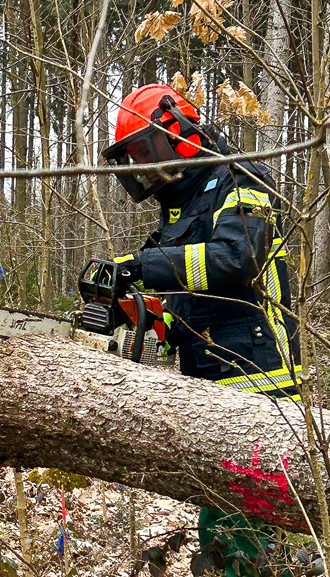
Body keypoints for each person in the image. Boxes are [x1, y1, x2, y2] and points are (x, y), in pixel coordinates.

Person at [101, 84, 303, 577]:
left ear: (180, 132)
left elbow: (236, 260)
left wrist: (143, 265)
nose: (143, 165)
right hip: (208, 379)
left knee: (247, 523)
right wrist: (139, 311)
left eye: (145, 151)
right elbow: (191, 300)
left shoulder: (241, 178)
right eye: (133, 157)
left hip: (257, 372)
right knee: (217, 514)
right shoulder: (180, 207)